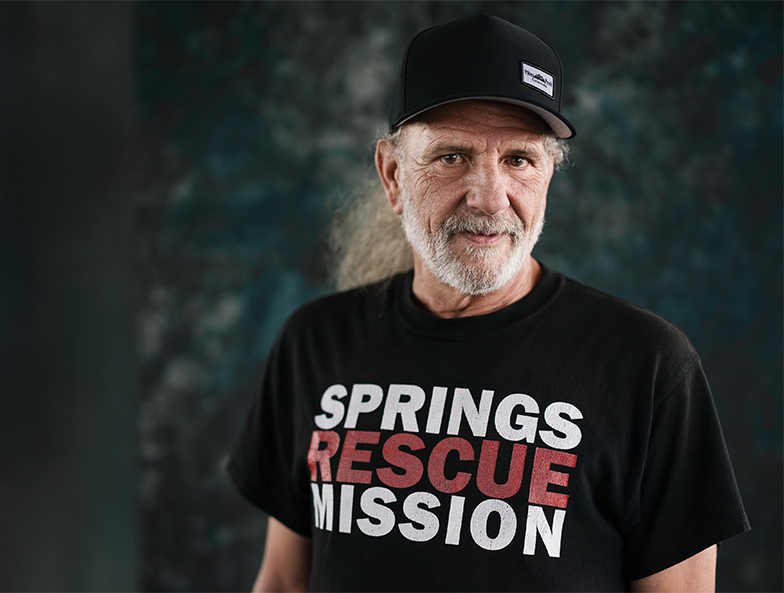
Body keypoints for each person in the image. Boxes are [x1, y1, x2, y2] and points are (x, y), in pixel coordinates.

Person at [226, 15, 748, 593]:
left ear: (548, 174)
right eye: (452, 156)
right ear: (393, 174)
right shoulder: (315, 344)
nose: (489, 196)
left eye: (519, 159)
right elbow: (281, 581)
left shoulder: (647, 367)